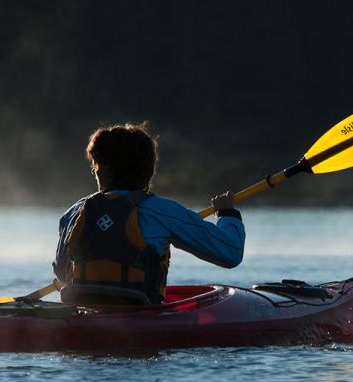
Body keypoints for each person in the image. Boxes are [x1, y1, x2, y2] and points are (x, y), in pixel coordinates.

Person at [52, 123, 245, 304]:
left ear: (103, 169)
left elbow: (63, 274)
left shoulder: (74, 213)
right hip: (139, 309)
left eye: (95, 165)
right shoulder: (161, 211)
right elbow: (230, 253)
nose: (95, 171)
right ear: (148, 169)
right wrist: (227, 213)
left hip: (84, 310)